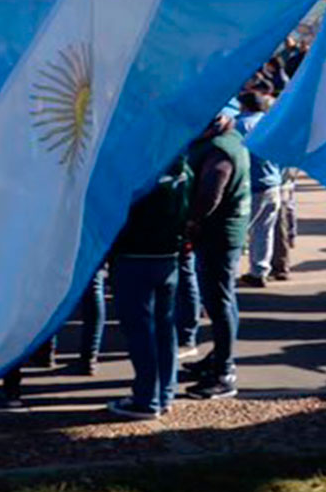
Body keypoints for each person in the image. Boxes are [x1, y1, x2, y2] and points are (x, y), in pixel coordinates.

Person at [106, 154, 194, 419]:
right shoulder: (184, 170)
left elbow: (115, 212)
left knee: (141, 331)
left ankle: (147, 399)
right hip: (167, 257)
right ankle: (164, 394)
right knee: (164, 328)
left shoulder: (137, 173)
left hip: (133, 257)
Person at [180, 109, 251, 400]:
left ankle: (223, 372)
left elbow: (211, 192)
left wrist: (190, 223)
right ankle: (221, 356)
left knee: (219, 302)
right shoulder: (231, 138)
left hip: (218, 235)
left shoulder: (220, 150)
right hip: (223, 232)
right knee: (224, 298)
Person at [234, 91, 284, 288]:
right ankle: (260, 271)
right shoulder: (272, 122)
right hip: (273, 183)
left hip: (251, 185)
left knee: (239, 231)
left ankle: (231, 273)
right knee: (265, 231)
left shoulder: (240, 125)